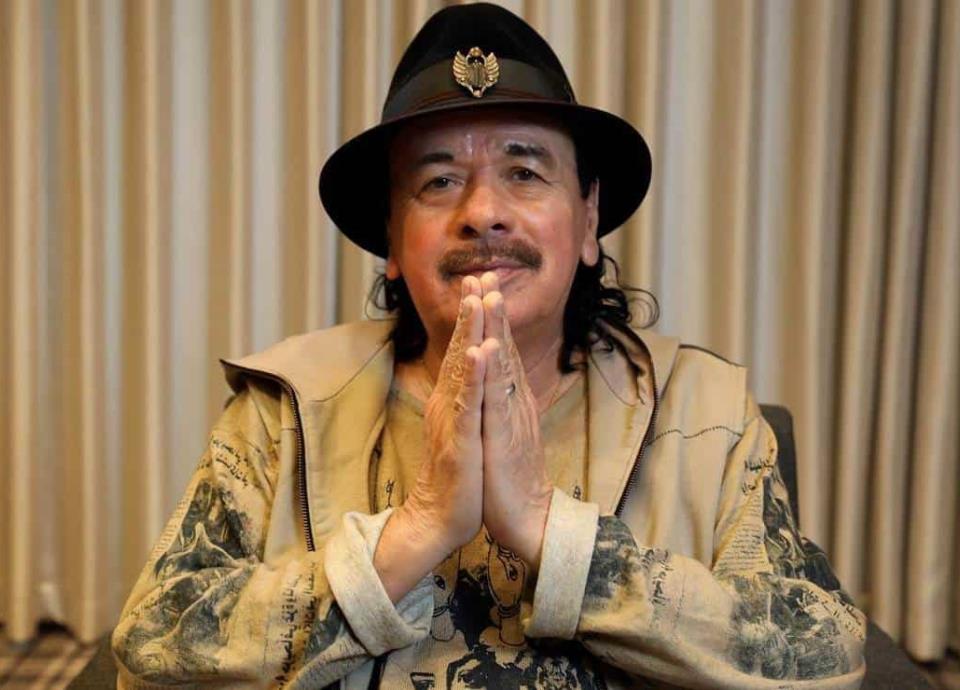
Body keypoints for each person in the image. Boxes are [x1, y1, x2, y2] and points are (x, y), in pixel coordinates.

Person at [111, 4, 867, 688]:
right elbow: (151, 647)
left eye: (524, 171)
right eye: (439, 182)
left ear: (588, 220)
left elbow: (824, 651)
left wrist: (550, 533)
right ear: (392, 242)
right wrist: (417, 531)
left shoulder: (706, 412)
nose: (483, 213)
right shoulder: (282, 409)